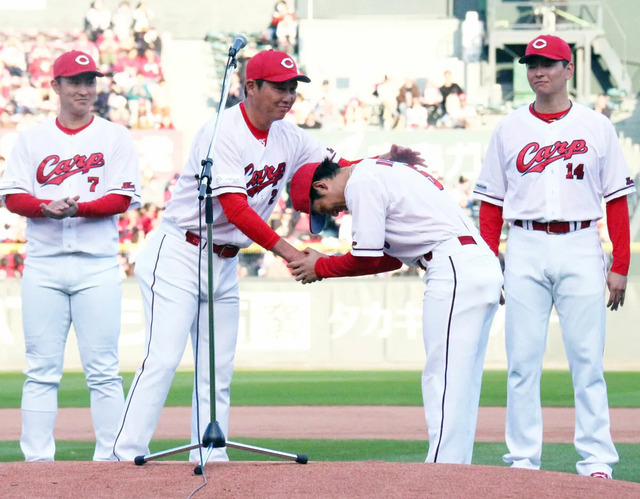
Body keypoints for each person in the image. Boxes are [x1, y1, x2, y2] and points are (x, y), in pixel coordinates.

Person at [110, 49, 423, 463]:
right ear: (250, 86)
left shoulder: (291, 137)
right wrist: (289, 251)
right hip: (179, 251)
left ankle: (209, 455)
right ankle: (120, 457)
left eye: (293, 87)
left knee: (218, 367)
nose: (289, 95)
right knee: (162, 360)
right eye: (280, 86)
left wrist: (388, 167)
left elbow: (343, 167)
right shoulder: (222, 131)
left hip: (223, 261)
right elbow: (235, 209)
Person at [472, 34, 635, 479]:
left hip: (582, 242)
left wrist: (620, 264)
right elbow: (491, 205)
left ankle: (597, 460)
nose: (537, 70)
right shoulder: (508, 127)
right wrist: (490, 262)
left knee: (587, 360)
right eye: (531, 63)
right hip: (523, 243)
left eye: (547, 63)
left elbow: (616, 199)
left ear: (569, 69)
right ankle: (523, 459)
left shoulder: (596, 125)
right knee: (522, 361)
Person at [286, 158, 503, 464]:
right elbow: (387, 260)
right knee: (461, 381)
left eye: (322, 208)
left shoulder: (362, 181)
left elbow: (365, 258)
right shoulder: (381, 173)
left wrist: (320, 266)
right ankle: (456, 468)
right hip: (474, 261)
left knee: (443, 377)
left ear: (321, 186)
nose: (333, 214)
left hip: (453, 264)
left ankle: (444, 473)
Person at [0, 50, 141, 461]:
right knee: (40, 370)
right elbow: (11, 196)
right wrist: (44, 207)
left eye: (90, 81)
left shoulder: (114, 136)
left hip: (96, 264)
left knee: (103, 371)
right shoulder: (31, 138)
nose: (84, 89)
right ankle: (38, 460)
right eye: (75, 81)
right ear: (55, 87)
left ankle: (112, 456)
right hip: (44, 264)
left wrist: (79, 207)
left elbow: (121, 197)